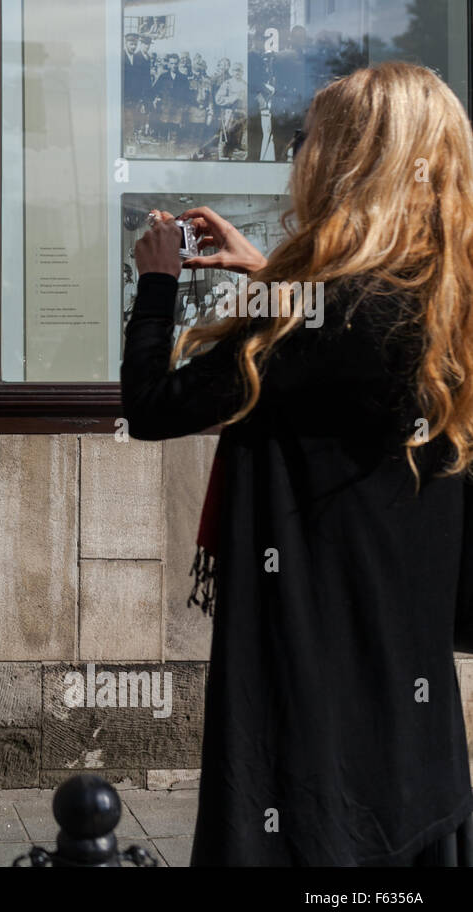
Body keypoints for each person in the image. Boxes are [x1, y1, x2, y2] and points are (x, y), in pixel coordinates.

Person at [121, 61, 473, 865]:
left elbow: (152, 406)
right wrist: (272, 276)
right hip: (407, 683)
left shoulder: (307, 325)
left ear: (351, 161)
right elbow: (348, 336)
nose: (296, 152)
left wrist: (158, 280)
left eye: (307, 138)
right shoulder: (447, 306)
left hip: (311, 668)